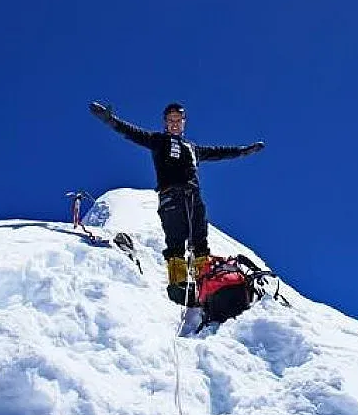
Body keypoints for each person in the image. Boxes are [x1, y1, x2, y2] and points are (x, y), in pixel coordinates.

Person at [89, 101, 264, 305]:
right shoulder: (158, 140)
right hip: (170, 196)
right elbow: (132, 132)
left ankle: (205, 283)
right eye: (170, 120)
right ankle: (179, 285)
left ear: (184, 123)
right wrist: (110, 120)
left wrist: (244, 151)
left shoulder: (193, 148)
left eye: (178, 120)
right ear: (165, 123)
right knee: (175, 241)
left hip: (193, 197)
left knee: (200, 241)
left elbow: (220, 152)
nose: (174, 124)